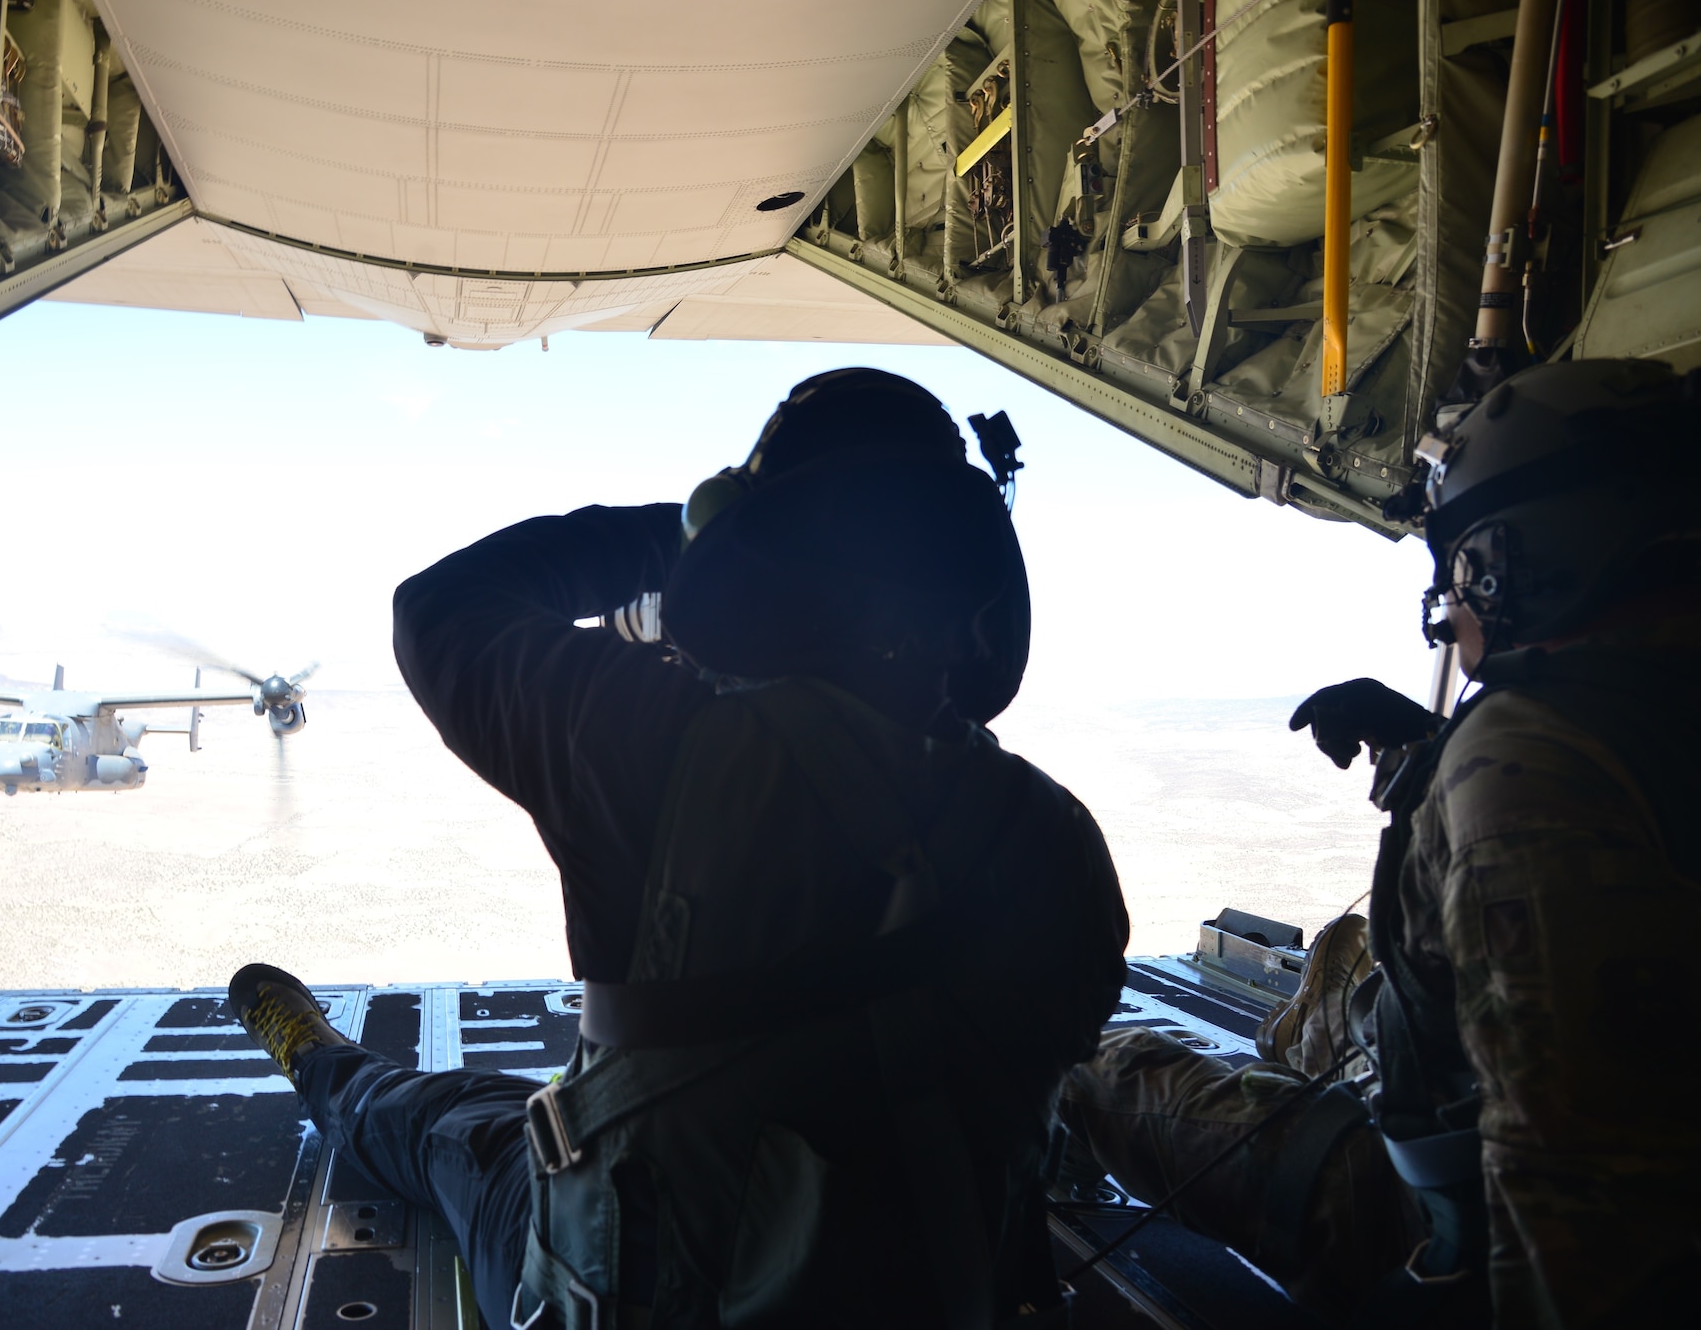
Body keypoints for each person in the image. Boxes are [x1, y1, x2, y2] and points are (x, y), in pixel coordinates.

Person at [227, 368, 1130, 1329]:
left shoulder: (654, 745)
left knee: (459, 1125)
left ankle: (325, 1065)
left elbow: (438, 609)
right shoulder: (1062, 840)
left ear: (758, 563)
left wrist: (684, 543)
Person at [1060, 357, 1700, 1328]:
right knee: (1337, 977)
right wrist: (1433, 762)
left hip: (1428, 1223)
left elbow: (1569, 1177)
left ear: (1500, 562)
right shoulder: (1624, 719)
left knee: (1085, 1057)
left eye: (1457, 571)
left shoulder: (1525, 759)